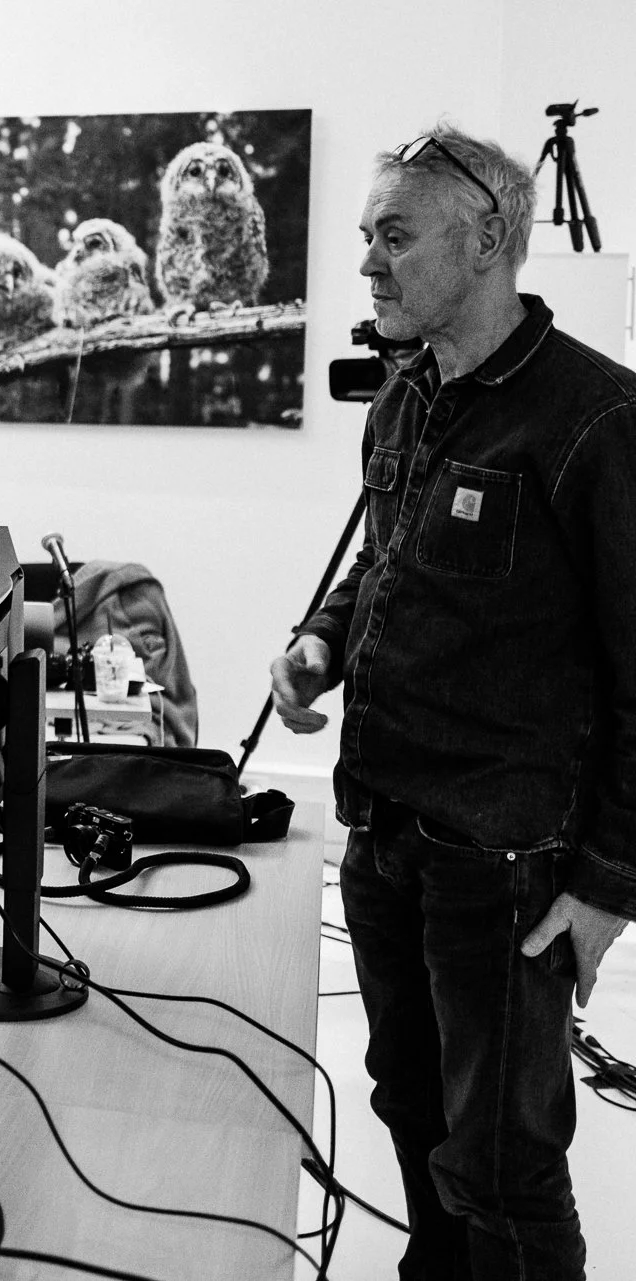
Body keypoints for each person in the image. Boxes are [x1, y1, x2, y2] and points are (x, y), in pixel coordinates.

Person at [271, 126, 635, 1281]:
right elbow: (384, 565)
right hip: (384, 834)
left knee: (504, 1166)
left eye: (394, 236)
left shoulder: (596, 420)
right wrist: (321, 641)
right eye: (367, 236)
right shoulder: (405, 397)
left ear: (485, 240)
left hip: (505, 865)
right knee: (411, 1110)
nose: (366, 263)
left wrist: (607, 887)